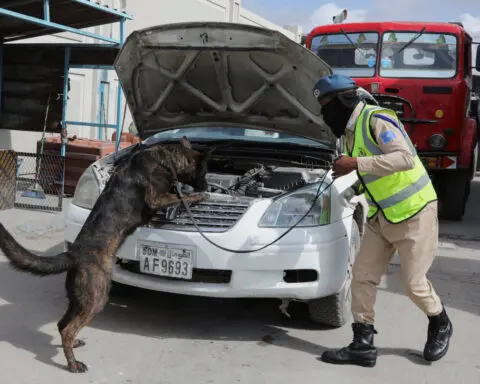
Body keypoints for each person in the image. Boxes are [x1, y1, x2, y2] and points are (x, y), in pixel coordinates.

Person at [312, 74, 452, 368]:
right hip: (381, 216)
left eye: (327, 104)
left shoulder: (377, 119)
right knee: (362, 277)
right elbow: (374, 171)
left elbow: (404, 159)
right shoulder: (348, 132)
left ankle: (439, 321)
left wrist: (355, 164)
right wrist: (353, 186)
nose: (324, 112)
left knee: (413, 283)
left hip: (414, 213)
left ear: (343, 100)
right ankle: (362, 343)